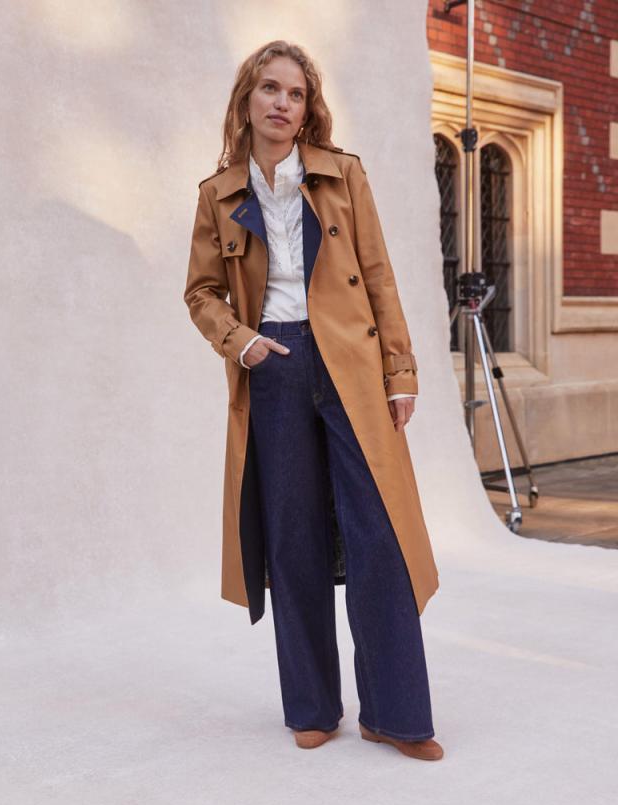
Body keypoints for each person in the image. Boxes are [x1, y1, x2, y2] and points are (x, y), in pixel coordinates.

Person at [184, 40, 443, 760]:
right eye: (270, 88)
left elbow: (379, 274)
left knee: (378, 535)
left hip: (351, 364)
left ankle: (397, 714)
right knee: (292, 537)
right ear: (247, 100)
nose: (282, 102)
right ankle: (312, 705)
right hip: (274, 366)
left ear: (308, 109)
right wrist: (240, 340)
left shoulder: (341, 174)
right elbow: (200, 291)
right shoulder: (218, 194)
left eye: (295, 93)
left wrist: (400, 370)